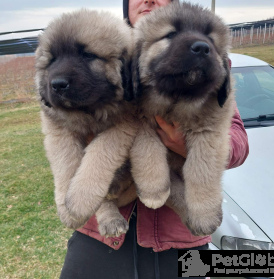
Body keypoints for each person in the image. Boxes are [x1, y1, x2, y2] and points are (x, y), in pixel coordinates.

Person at [59, 1, 249, 278]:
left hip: (179, 238)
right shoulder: (103, 56)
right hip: (99, 234)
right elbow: (62, 130)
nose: (148, 0)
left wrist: (186, 145)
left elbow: (238, 142)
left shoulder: (209, 66)